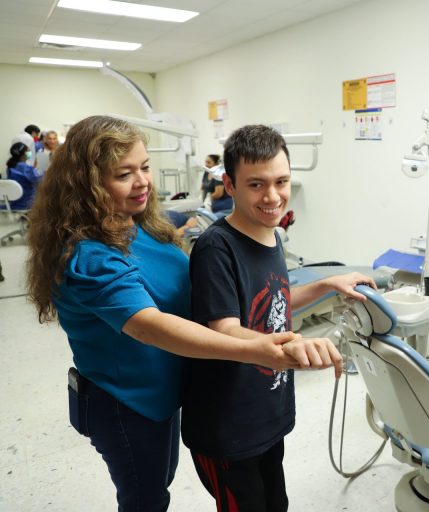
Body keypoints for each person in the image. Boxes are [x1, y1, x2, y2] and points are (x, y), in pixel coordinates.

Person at [24, 115, 343, 512]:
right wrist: (260, 349)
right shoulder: (89, 257)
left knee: (165, 483)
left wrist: (326, 286)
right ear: (86, 183)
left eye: (145, 167)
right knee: (147, 500)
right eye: (124, 174)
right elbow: (151, 326)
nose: (142, 182)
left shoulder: (135, 224)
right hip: (126, 403)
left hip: (166, 391)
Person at [182, 124, 376, 512]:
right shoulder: (216, 248)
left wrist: (327, 285)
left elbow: (275, 300)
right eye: (256, 185)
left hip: (267, 412)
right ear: (229, 185)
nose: (273, 197)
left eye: (281, 182)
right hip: (229, 426)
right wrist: (294, 344)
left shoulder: (269, 234)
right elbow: (226, 329)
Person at [5, 141, 42, 210]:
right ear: (23, 154)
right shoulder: (26, 168)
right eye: (28, 151)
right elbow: (39, 181)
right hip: (27, 204)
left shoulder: (10, 167)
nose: (30, 152)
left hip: (13, 204)